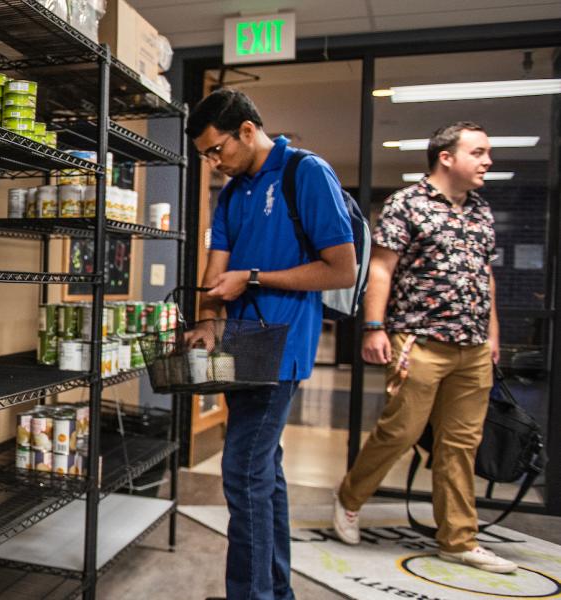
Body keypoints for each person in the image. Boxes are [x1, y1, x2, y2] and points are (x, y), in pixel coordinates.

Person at [184, 88, 356, 600]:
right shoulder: (233, 194)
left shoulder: (306, 173)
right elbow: (217, 273)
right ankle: (275, 591)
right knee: (264, 473)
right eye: (205, 157)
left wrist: (253, 278)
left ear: (247, 131)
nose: (214, 164)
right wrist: (206, 323)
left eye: (218, 150)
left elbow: (340, 269)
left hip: (279, 349)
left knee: (242, 472)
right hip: (238, 349)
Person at [331, 122, 514, 574]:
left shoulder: (481, 211)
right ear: (446, 157)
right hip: (419, 341)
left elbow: (483, 276)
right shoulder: (406, 204)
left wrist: (492, 332)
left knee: (461, 444)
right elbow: (380, 271)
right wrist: (374, 328)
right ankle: (349, 498)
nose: (487, 161)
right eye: (479, 152)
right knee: (402, 431)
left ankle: (457, 539)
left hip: (471, 348)